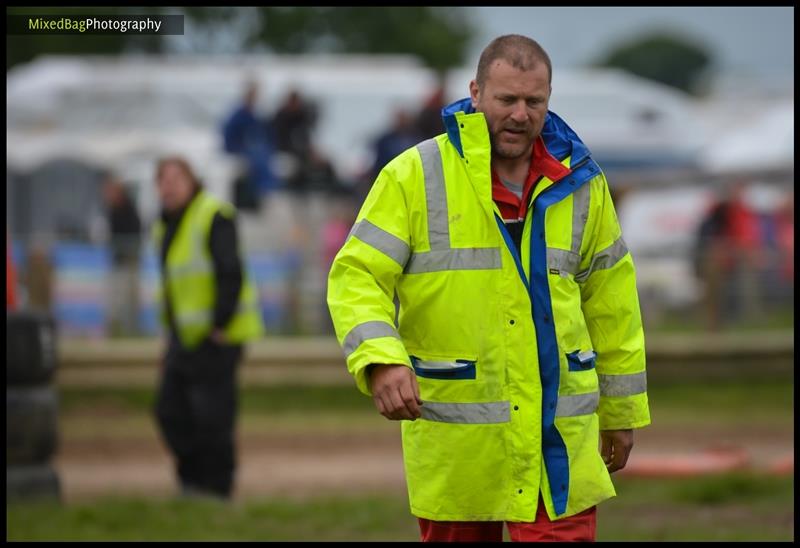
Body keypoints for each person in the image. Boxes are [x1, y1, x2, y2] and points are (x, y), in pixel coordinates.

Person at [327, 35, 650, 542]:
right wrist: (381, 358)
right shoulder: (415, 175)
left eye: (534, 101)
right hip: (461, 452)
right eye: (506, 99)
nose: (520, 114)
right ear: (476, 93)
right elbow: (357, 276)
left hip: (558, 449)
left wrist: (622, 412)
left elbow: (614, 307)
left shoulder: (584, 183)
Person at [152, 156, 265, 500]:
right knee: (169, 410)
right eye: (163, 179)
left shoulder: (214, 214)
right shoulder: (165, 225)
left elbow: (230, 272)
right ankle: (192, 482)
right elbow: (174, 286)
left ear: (192, 180)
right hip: (184, 338)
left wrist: (219, 324)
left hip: (218, 337)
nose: (169, 185)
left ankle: (216, 491)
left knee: (212, 419)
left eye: (176, 178)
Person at [222, 81, 279, 200]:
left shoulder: (254, 113)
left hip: (252, 147)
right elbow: (230, 136)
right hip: (237, 147)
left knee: (264, 153)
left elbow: (264, 132)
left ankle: (266, 188)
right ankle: (264, 188)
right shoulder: (238, 114)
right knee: (259, 158)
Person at [102, 175, 142, 336]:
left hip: (129, 261)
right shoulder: (113, 210)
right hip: (118, 262)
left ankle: (129, 330)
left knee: (129, 299)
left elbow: (134, 233)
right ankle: (115, 330)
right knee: (115, 300)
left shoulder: (128, 209)